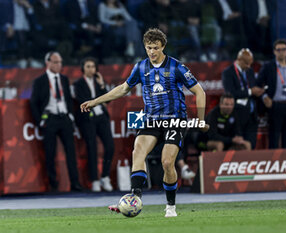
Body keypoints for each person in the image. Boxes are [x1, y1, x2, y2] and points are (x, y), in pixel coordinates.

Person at [80, 28, 208, 217]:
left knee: (166, 162)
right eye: (149, 48)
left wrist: (201, 120)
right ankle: (135, 198)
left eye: (156, 48)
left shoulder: (176, 67)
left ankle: (170, 206)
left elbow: (200, 92)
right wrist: (95, 101)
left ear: (163, 46)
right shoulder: (140, 67)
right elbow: (123, 89)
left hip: (175, 120)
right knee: (137, 151)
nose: (152, 52)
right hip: (151, 120)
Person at [30, 51, 82, 192]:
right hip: (50, 119)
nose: (59, 65)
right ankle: (53, 185)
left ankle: (75, 183)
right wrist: (40, 120)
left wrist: (70, 115)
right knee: (50, 153)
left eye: (60, 62)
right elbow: (33, 102)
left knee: (71, 152)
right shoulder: (40, 81)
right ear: (48, 63)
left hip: (64, 118)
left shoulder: (64, 79)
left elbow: (68, 99)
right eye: (56, 62)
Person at [73, 57, 115, 192]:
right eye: (88, 66)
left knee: (110, 146)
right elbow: (82, 100)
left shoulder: (99, 83)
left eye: (93, 66)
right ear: (83, 69)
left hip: (101, 117)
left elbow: (107, 100)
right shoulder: (78, 83)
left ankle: (105, 176)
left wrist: (102, 84)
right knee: (92, 148)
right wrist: (96, 102)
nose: (91, 69)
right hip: (87, 119)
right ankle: (95, 180)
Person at [256, 39, 286, 149]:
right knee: (274, 140)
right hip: (275, 105)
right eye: (279, 50)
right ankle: (274, 163)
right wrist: (264, 97)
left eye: (284, 49)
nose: (281, 52)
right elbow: (258, 84)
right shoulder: (268, 66)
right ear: (274, 52)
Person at [222, 48, 264, 149]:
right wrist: (250, 91)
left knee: (251, 145)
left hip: (252, 115)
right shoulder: (228, 72)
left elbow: (252, 87)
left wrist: (258, 91)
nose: (249, 66)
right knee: (239, 147)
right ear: (239, 60)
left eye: (250, 63)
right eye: (246, 63)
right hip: (238, 116)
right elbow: (230, 93)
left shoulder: (250, 71)